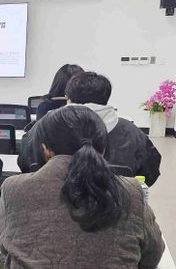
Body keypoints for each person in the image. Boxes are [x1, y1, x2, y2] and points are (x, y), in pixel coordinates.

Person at [0, 105, 164, 269]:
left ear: (45, 150)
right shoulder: (131, 191)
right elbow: (151, 258)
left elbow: (4, 247)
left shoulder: (14, 188)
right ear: (102, 150)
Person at [18, 71, 162, 185]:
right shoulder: (131, 132)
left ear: (69, 98)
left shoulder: (42, 126)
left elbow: (25, 164)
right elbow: (149, 172)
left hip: (47, 202)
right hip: (114, 207)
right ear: (105, 100)